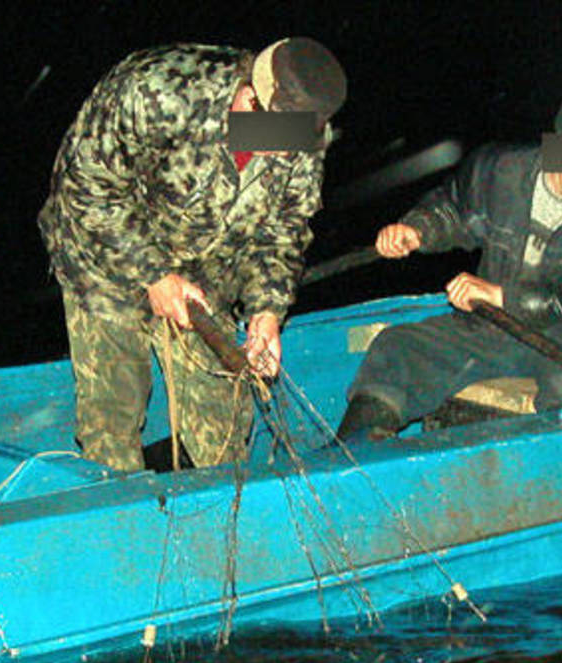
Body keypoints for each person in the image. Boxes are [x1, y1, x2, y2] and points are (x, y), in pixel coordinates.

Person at [38, 39, 347, 471]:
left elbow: (284, 229)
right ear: (248, 97)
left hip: (202, 267)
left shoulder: (303, 135)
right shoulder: (156, 90)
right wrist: (154, 274)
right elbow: (85, 186)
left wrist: (267, 310)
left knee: (222, 416)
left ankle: (223, 520)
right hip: (106, 251)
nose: (283, 152)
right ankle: (124, 516)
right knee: (115, 409)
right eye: (275, 135)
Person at [337, 74, 562, 441]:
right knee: (398, 348)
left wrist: (503, 296)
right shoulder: (501, 168)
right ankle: (356, 455)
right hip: (493, 325)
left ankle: (547, 477)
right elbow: (454, 209)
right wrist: (417, 230)